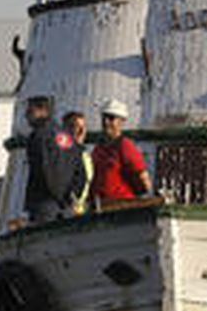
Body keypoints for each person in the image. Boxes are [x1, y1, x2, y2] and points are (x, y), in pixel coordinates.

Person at [23, 95, 84, 223]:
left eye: (30, 111)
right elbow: (80, 173)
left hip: (44, 204)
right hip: (67, 206)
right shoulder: (68, 136)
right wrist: (70, 195)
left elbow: (43, 168)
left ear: (43, 111)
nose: (26, 116)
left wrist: (54, 195)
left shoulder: (38, 137)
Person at [91, 99, 151, 204]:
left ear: (121, 122)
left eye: (111, 118)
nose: (106, 122)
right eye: (104, 117)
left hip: (121, 208)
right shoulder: (98, 147)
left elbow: (144, 182)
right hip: (100, 206)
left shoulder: (126, 146)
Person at [63, 111, 93, 215]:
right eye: (75, 126)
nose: (82, 131)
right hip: (68, 211)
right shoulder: (62, 154)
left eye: (84, 127)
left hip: (82, 211)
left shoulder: (84, 154)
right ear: (66, 130)